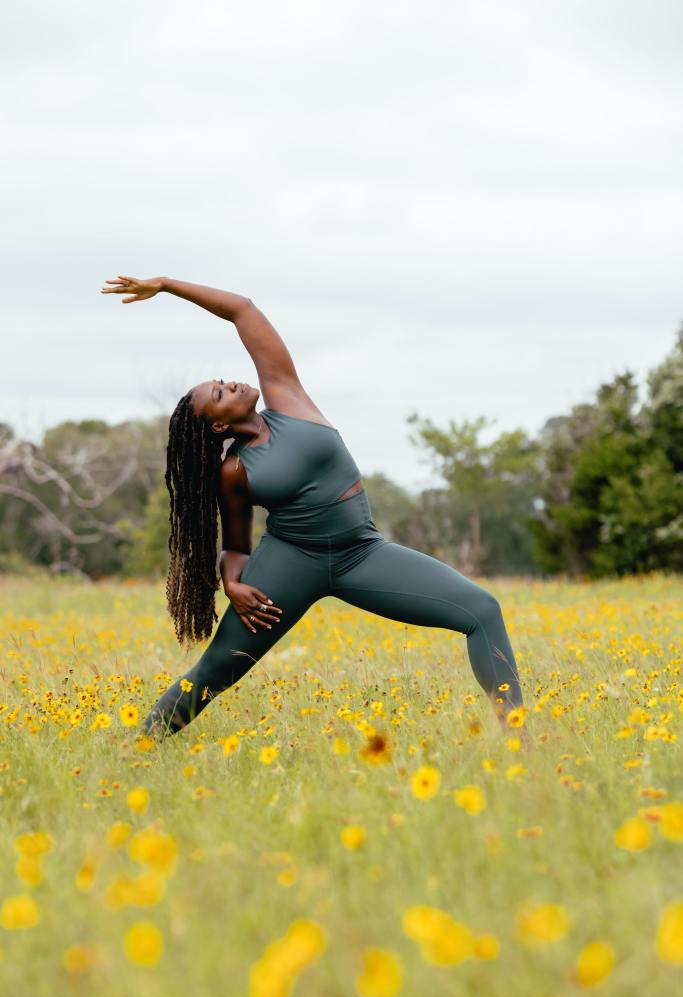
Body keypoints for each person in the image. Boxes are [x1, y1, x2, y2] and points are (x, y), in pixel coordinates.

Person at [101, 275, 526, 740]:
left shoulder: (288, 397)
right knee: (217, 670)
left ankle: (520, 740)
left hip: (362, 554)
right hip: (291, 564)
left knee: (481, 610)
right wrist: (232, 583)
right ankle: (137, 747)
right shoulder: (234, 470)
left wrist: (166, 285)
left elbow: (242, 310)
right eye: (220, 394)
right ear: (219, 426)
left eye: (222, 381)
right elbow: (237, 542)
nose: (231, 384)